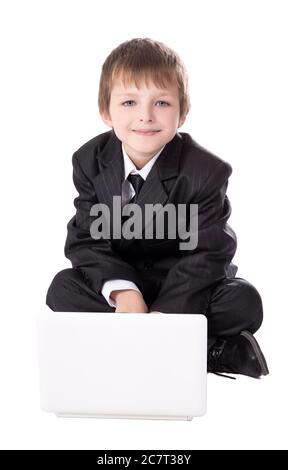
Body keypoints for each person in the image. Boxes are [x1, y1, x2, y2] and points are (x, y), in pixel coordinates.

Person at [46, 38, 269, 379]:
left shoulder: (205, 172)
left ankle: (166, 345)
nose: (145, 117)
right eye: (129, 102)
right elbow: (86, 241)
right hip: (127, 285)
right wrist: (124, 292)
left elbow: (210, 254)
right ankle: (196, 348)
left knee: (244, 302)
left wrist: (164, 315)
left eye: (162, 102)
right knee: (62, 288)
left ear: (183, 113)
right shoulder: (89, 161)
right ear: (106, 111)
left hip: (185, 286)